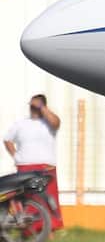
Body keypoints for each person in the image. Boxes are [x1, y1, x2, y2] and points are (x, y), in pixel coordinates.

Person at [4, 94, 63, 232]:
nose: (33, 107)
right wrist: (15, 155)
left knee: (47, 199)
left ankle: (49, 231)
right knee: (26, 199)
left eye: (37, 104)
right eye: (32, 104)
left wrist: (42, 108)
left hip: (45, 167)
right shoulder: (21, 124)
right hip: (25, 166)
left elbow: (56, 122)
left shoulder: (49, 123)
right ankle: (28, 231)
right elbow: (7, 139)